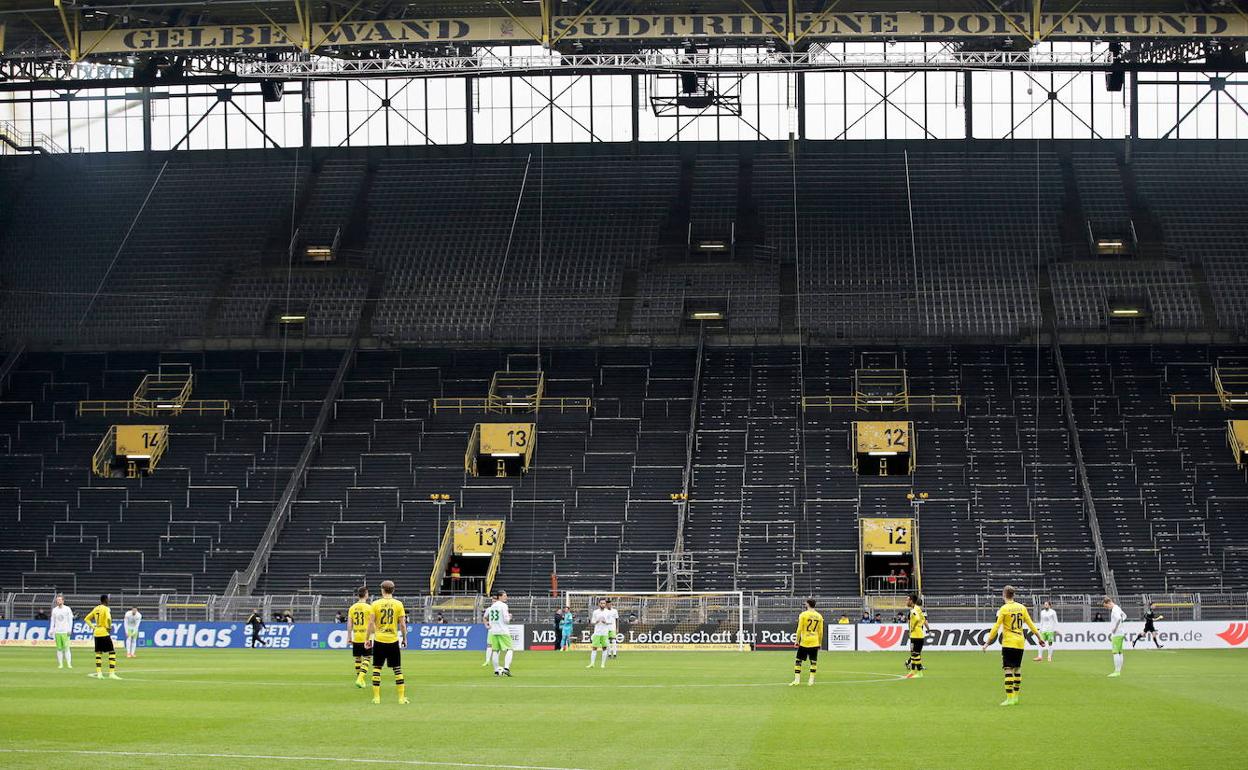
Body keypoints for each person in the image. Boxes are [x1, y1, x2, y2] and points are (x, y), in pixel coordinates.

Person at [980, 585, 1044, 706]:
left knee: (1008, 669)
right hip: (1020, 641)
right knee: (1017, 668)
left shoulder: (1004, 609)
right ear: (1013, 595)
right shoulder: (1022, 607)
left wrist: (987, 642)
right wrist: (1039, 638)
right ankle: (1016, 697)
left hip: (1009, 642)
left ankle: (1009, 698)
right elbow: (1031, 624)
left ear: (1004, 595)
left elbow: (996, 627)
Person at [366, 579, 408, 704]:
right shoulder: (398, 604)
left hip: (379, 640)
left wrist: (367, 638)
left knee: (377, 669)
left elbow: (371, 623)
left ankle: (376, 698)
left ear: (382, 590)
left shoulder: (375, 604)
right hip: (393, 640)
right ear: (393, 590)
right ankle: (401, 698)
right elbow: (402, 624)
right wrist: (404, 638)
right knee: (397, 669)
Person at [84, 594, 120, 680]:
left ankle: (99, 673)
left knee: (98, 653)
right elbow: (108, 618)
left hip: (97, 632)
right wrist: (109, 626)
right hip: (104, 631)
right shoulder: (106, 609)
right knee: (111, 652)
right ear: (106, 600)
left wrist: (93, 627)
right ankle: (112, 673)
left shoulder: (96, 608)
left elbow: (86, 619)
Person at [791, 599, 824, 687]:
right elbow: (820, 631)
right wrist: (820, 642)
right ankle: (811, 680)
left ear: (808, 604)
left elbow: (799, 629)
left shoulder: (803, 614)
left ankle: (797, 680)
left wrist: (797, 641)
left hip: (805, 641)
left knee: (798, 660)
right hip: (814, 641)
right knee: (813, 661)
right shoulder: (819, 616)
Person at [484, 590, 514, 677]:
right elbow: (506, 620)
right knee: (510, 649)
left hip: (493, 631)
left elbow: (489, 618)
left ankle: (496, 670)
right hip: (503, 630)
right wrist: (509, 617)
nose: (506, 597)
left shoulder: (492, 606)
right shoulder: (503, 605)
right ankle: (506, 668)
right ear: (499, 597)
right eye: (505, 596)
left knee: (495, 651)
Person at [347, 587, 372, 688]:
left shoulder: (352, 607)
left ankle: (360, 680)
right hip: (366, 637)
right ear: (366, 594)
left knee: (358, 658)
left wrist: (349, 636)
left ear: (358, 595)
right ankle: (360, 678)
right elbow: (371, 623)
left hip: (356, 636)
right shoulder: (369, 608)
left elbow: (349, 624)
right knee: (367, 658)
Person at [904, 594, 929, 679]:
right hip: (918, 634)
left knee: (916, 654)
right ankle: (913, 671)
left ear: (911, 601)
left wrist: (913, 627)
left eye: (907, 600)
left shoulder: (914, 610)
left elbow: (918, 619)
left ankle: (919, 672)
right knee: (914, 654)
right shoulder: (918, 608)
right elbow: (923, 619)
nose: (906, 601)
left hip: (916, 634)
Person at [1103, 596, 1127, 677]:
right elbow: (1124, 616)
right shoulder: (1118, 608)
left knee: (1115, 652)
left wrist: (1115, 628)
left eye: (1106, 606)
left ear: (1109, 603)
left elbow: (1119, 618)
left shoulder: (1114, 609)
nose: (1107, 608)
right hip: (1121, 632)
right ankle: (1118, 671)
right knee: (1120, 652)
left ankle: (1117, 671)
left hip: (1117, 633)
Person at [49, 595, 74, 669]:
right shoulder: (54, 610)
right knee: (59, 649)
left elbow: (70, 620)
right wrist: (51, 629)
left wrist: (70, 629)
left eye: (60, 600)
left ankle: (69, 664)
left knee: (66, 648)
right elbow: (52, 620)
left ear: (63, 601)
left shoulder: (67, 609)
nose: (58, 601)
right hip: (57, 632)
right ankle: (60, 664)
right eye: (57, 600)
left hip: (65, 631)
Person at [588, 598, 611, 669]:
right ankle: (592, 664)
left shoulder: (608, 612)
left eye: (604, 603)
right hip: (597, 632)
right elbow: (592, 621)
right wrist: (596, 622)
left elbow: (610, 621)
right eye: (601, 603)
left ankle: (603, 664)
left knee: (604, 648)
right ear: (599, 604)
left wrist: (605, 622)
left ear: (605, 604)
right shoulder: (595, 612)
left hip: (605, 632)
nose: (603, 604)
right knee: (594, 648)